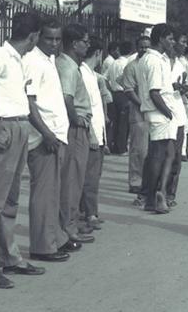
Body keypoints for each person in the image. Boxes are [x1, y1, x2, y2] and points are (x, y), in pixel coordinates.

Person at [0, 12, 44, 289]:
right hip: (3, 129)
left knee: (9, 200)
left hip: (19, 127)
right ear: (33, 36)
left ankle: (8, 257)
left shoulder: (17, 60)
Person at [22, 18, 71, 263]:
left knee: (53, 192)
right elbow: (28, 103)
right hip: (43, 138)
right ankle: (42, 246)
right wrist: (46, 134)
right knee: (43, 193)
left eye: (57, 39)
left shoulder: (48, 60)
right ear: (38, 37)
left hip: (55, 135)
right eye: (48, 38)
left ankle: (55, 238)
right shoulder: (32, 61)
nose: (53, 43)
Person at [56, 23, 95, 248]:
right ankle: (68, 228)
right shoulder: (69, 67)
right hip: (75, 128)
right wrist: (76, 119)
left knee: (73, 177)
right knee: (72, 178)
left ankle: (69, 223)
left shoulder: (67, 64)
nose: (88, 45)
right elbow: (67, 97)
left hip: (75, 126)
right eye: (85, 41)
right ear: (74, 43)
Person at [137, 24, 178, 214]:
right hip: (159, 112)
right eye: (170, 38)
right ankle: (152, 197)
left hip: (162, 112)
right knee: (157, 155)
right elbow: (154, 92)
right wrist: (168, 112)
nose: (173, 42)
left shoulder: (155, 59)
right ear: (160, 38)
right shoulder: (153, 61)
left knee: (169, 153)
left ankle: (161, 190)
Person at [79, 36, 108, 232]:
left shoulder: (92, 75)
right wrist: (93, 135)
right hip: (92, 133)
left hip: (97, 130)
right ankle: (90, 213)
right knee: (90, 177)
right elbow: (86, 107)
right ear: (98, 54)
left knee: (93, 174)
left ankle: (86, 211)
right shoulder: (84, 74)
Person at [120, 35, 151, 197]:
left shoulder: (154, 64)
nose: (144, 50)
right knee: (138, 149)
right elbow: (129, 90)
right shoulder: (131, 67)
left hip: (154, 113)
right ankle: (135, 181)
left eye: (147, 47)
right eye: (141, 47)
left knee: (152, 150)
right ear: (136, 48)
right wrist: (142, 105)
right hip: (138, 113)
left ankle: (150, 181)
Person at [165, 31, 188, 206]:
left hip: (179, 114)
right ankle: (153, 192)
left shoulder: (181, 65)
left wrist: (182, 88)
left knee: (176, 159)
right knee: (162, 156)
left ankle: (170, 194)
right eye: (182, 41)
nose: (185, 45)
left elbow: (184, 85)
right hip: (163, 115)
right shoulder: (161, 63)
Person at [105, 41, 132, 157]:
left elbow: (105, 78)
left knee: (115, 122)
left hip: (114, 94)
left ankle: (113, 145)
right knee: (124, 123)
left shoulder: (114, 63)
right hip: (124, 94)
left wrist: (110, 88)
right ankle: (121, 148)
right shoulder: (128, 63)